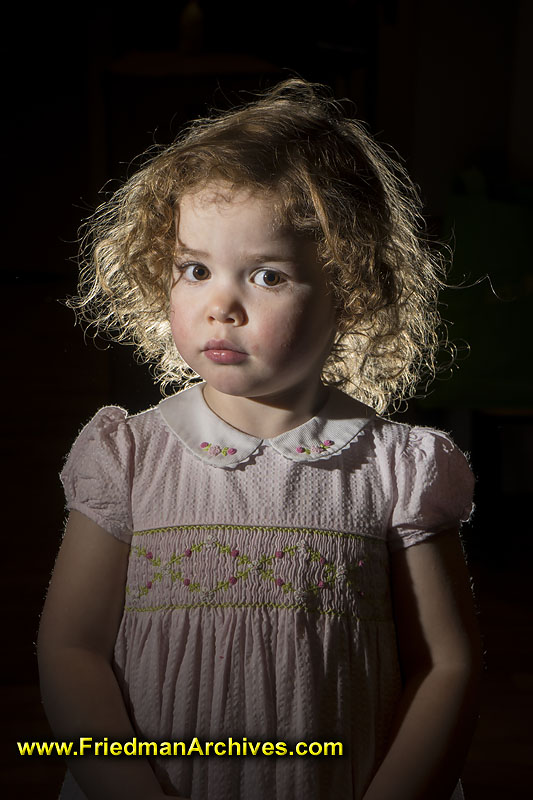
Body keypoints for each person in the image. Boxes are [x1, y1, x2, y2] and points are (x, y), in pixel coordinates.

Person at [38, 79, 482, 800]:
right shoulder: (128, 456)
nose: (220, 305)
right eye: (194, 269)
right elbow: (71, 649)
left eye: (266, 274)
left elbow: (446, 666)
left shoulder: (399, 469)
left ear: (351, 288)